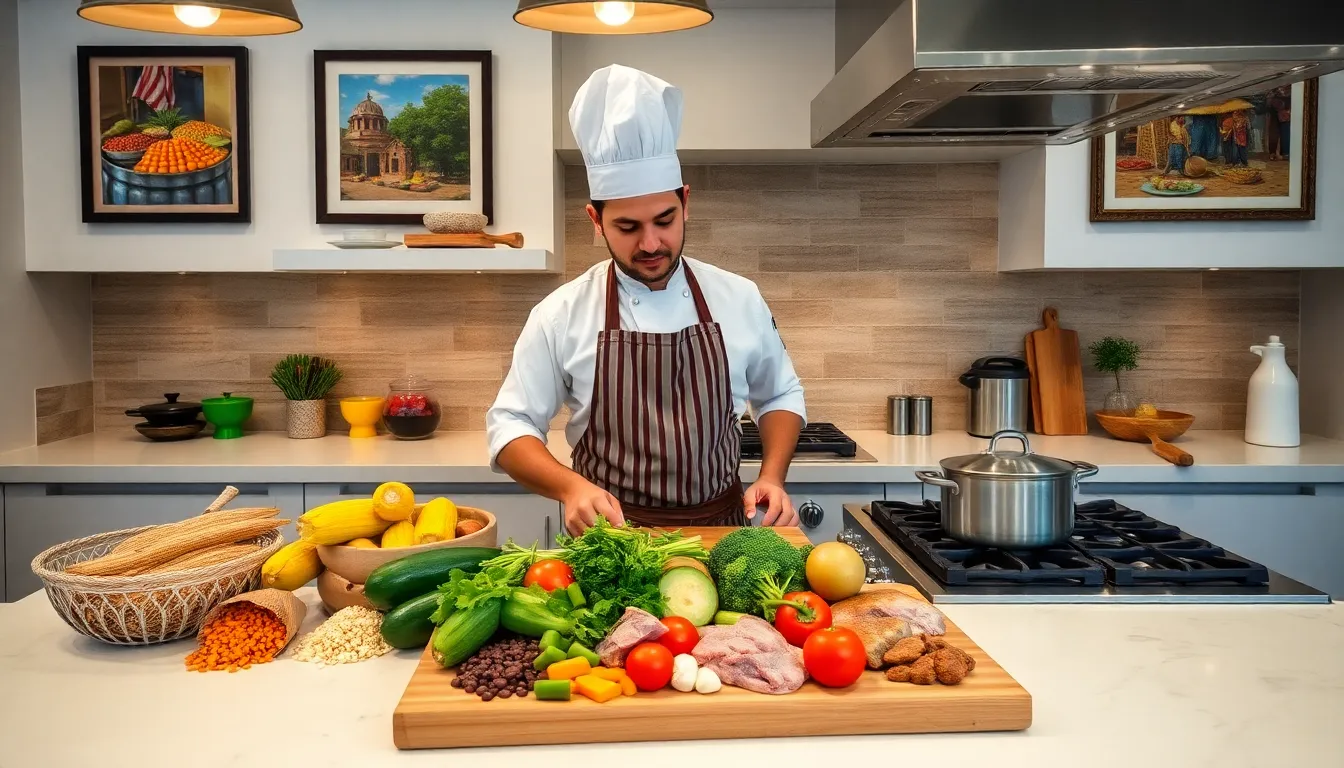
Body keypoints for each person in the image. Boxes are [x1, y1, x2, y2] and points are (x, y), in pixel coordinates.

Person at [486, 64, 807, 535]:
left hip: (722, 533)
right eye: (628, 227)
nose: (652, 243)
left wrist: (772, 477)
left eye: (664, 219)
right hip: (606, 542)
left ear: (686, 202)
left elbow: (779, 393)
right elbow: (511, 425)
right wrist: (570, 487)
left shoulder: (738, 297)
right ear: (595, 220)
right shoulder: (561, 313)